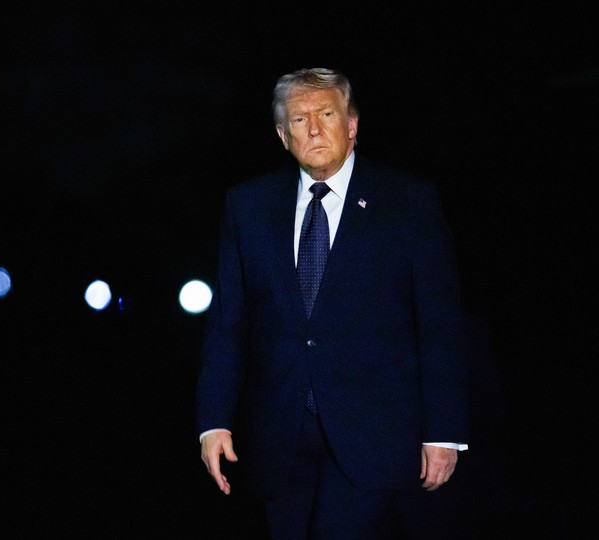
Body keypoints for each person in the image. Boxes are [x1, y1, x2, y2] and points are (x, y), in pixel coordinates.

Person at [196, 67, 472, 539]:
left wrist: (443, 431)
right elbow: (230, 324)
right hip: (277, 436)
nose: (315, 129)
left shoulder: (407, 203)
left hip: (373, 434)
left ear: (352, 125)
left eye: (327, 114)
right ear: (283, 136)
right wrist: (214, 422)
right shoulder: (248, 207)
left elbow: (439, 324)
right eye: (300, 120)